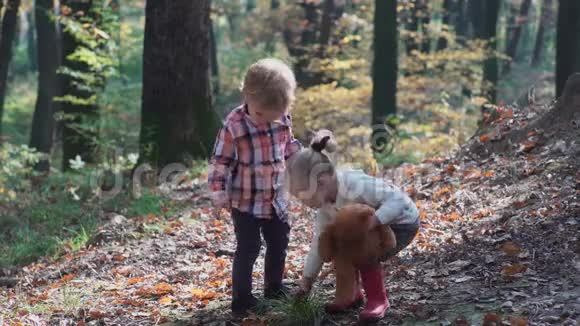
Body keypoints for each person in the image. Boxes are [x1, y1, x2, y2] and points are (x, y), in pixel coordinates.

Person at [286, 130, 420, 321]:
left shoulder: (355, 183)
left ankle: (378, 300)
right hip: (370, 230)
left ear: (321, 181)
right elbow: (319, 242)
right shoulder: (325, 208)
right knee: (336, 246)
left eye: (302, 196)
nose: (302, 203)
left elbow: (397, 200)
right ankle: (350, 295)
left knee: (361, 250)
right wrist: (308, 278)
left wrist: (374, 221)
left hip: (402, 222)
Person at [207, 58, 302, 316]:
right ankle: (242, 299)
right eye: (260, 114)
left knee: (279, 242)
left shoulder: (282, 118)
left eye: (271, 117)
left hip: (275, 198)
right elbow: (220, 161)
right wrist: (218, 189)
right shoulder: (234, 125)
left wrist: (301, 161)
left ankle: (274, 286)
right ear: (246, 95)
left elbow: (289, 146)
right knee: (249, 247)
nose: (264, 121)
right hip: (244, 201)